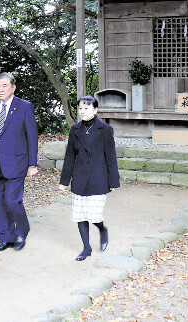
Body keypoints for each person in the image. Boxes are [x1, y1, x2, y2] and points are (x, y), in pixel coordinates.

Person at [0, 72, 38, 252]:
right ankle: (5, 237)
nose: (0, 89)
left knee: (12, 201)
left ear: (13, 87)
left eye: (4, 86)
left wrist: (32, 164)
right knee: (0, 203)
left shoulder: (25, 107)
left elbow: (32, 137)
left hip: (17, 163)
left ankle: (22, 230)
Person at [59, 95, 120, 261]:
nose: (82, 111)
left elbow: (111, 156)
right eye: (80, 108)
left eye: (86, 108)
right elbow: (70, 156)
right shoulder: (75, 130)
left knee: (94, 215)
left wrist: (113, 180)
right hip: (79, 177)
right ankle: (86, 247)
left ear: (95, 110)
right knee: (80, 214)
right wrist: (64, 181)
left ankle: (102, 229)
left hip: (98, 177)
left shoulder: (105, 130)